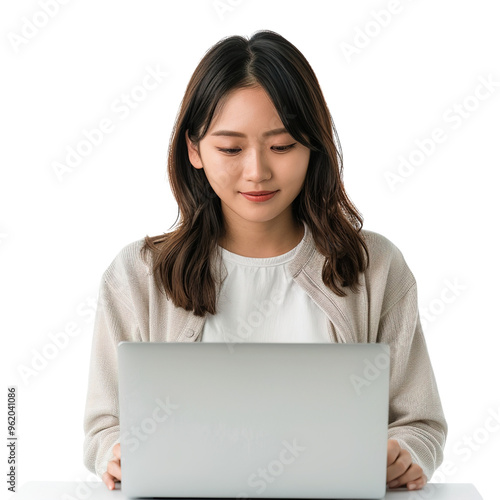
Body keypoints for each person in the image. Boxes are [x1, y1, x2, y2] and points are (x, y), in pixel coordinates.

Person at [83, 30, 447, 493]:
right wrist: (116, 454)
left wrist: (405, 454)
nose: (257, 171)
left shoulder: (374, 266)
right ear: (194, 150)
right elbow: (104, 427)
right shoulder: (138, 275)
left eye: (282, 146)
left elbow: (419, 424)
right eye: (230, 149)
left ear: (313, 146)